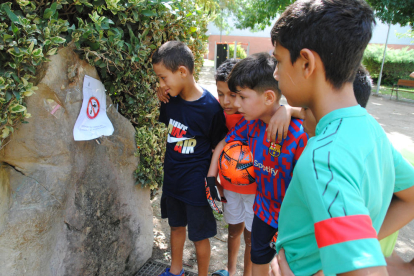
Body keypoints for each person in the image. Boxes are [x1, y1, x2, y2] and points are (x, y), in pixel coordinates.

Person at [270, 0, 414, 275]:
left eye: (278, 61)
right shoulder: (370, 128)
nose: (275, 73)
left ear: (306, 62)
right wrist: (341, 256)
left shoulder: (322, 157)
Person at [205, 59, 302, 276]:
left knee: (284, 266)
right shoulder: (250, 124)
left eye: (241, 97)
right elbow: (224, 143)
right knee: (259, 257)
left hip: (289, 218)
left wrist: (289, 110)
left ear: (268, 96)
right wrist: (212, 179)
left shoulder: (297, 134)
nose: (235, 104)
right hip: (263, 210)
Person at [152, 41, 228, 276]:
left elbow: (219, 145)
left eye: (164, 78)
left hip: (196, 185)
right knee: (175, 226)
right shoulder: (170, 100)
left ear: (182, 72)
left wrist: (214, 180)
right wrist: (161, 96)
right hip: (173, 180)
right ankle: (176, 271)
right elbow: (170, 125)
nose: (161, 84)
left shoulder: (211, 109)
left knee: (199, 234)